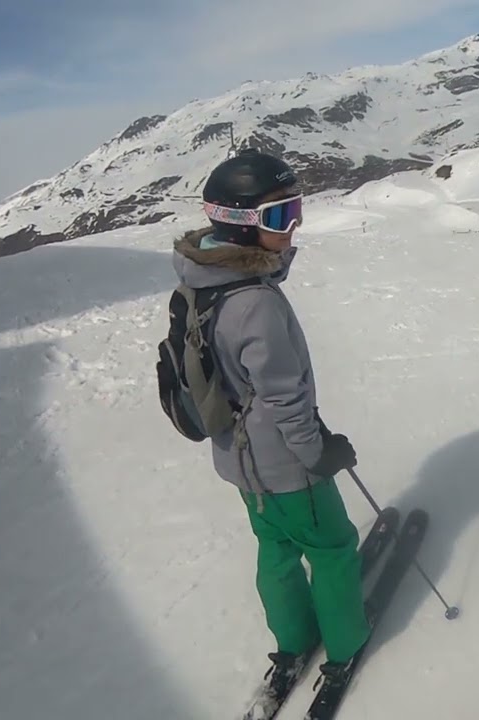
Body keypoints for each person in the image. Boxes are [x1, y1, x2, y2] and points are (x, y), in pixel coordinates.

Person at [170, 149, 368, 710]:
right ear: (240, 224)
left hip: (238, 459)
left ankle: (292, 640)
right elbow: (283, 396)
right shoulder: (255, 303)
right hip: (287, 465)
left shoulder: (201, 280)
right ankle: (345, 642)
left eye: (296, 209)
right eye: (280, 216)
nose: (295, 224)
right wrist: (319, 452)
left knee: (275, 549)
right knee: (331, 548)